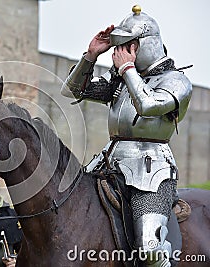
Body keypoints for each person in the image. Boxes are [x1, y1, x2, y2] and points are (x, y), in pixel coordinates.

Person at [61, 5, 192, 267]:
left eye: (128, 45)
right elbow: (71, 91)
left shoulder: (176, 81)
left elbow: (148, 106)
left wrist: (127, 71)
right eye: (119, 46)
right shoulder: (119, 81)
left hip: (152, 170)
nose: (119, 53)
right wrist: (90, 55)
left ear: (146, 44)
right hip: (108, 162)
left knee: (150, 249)